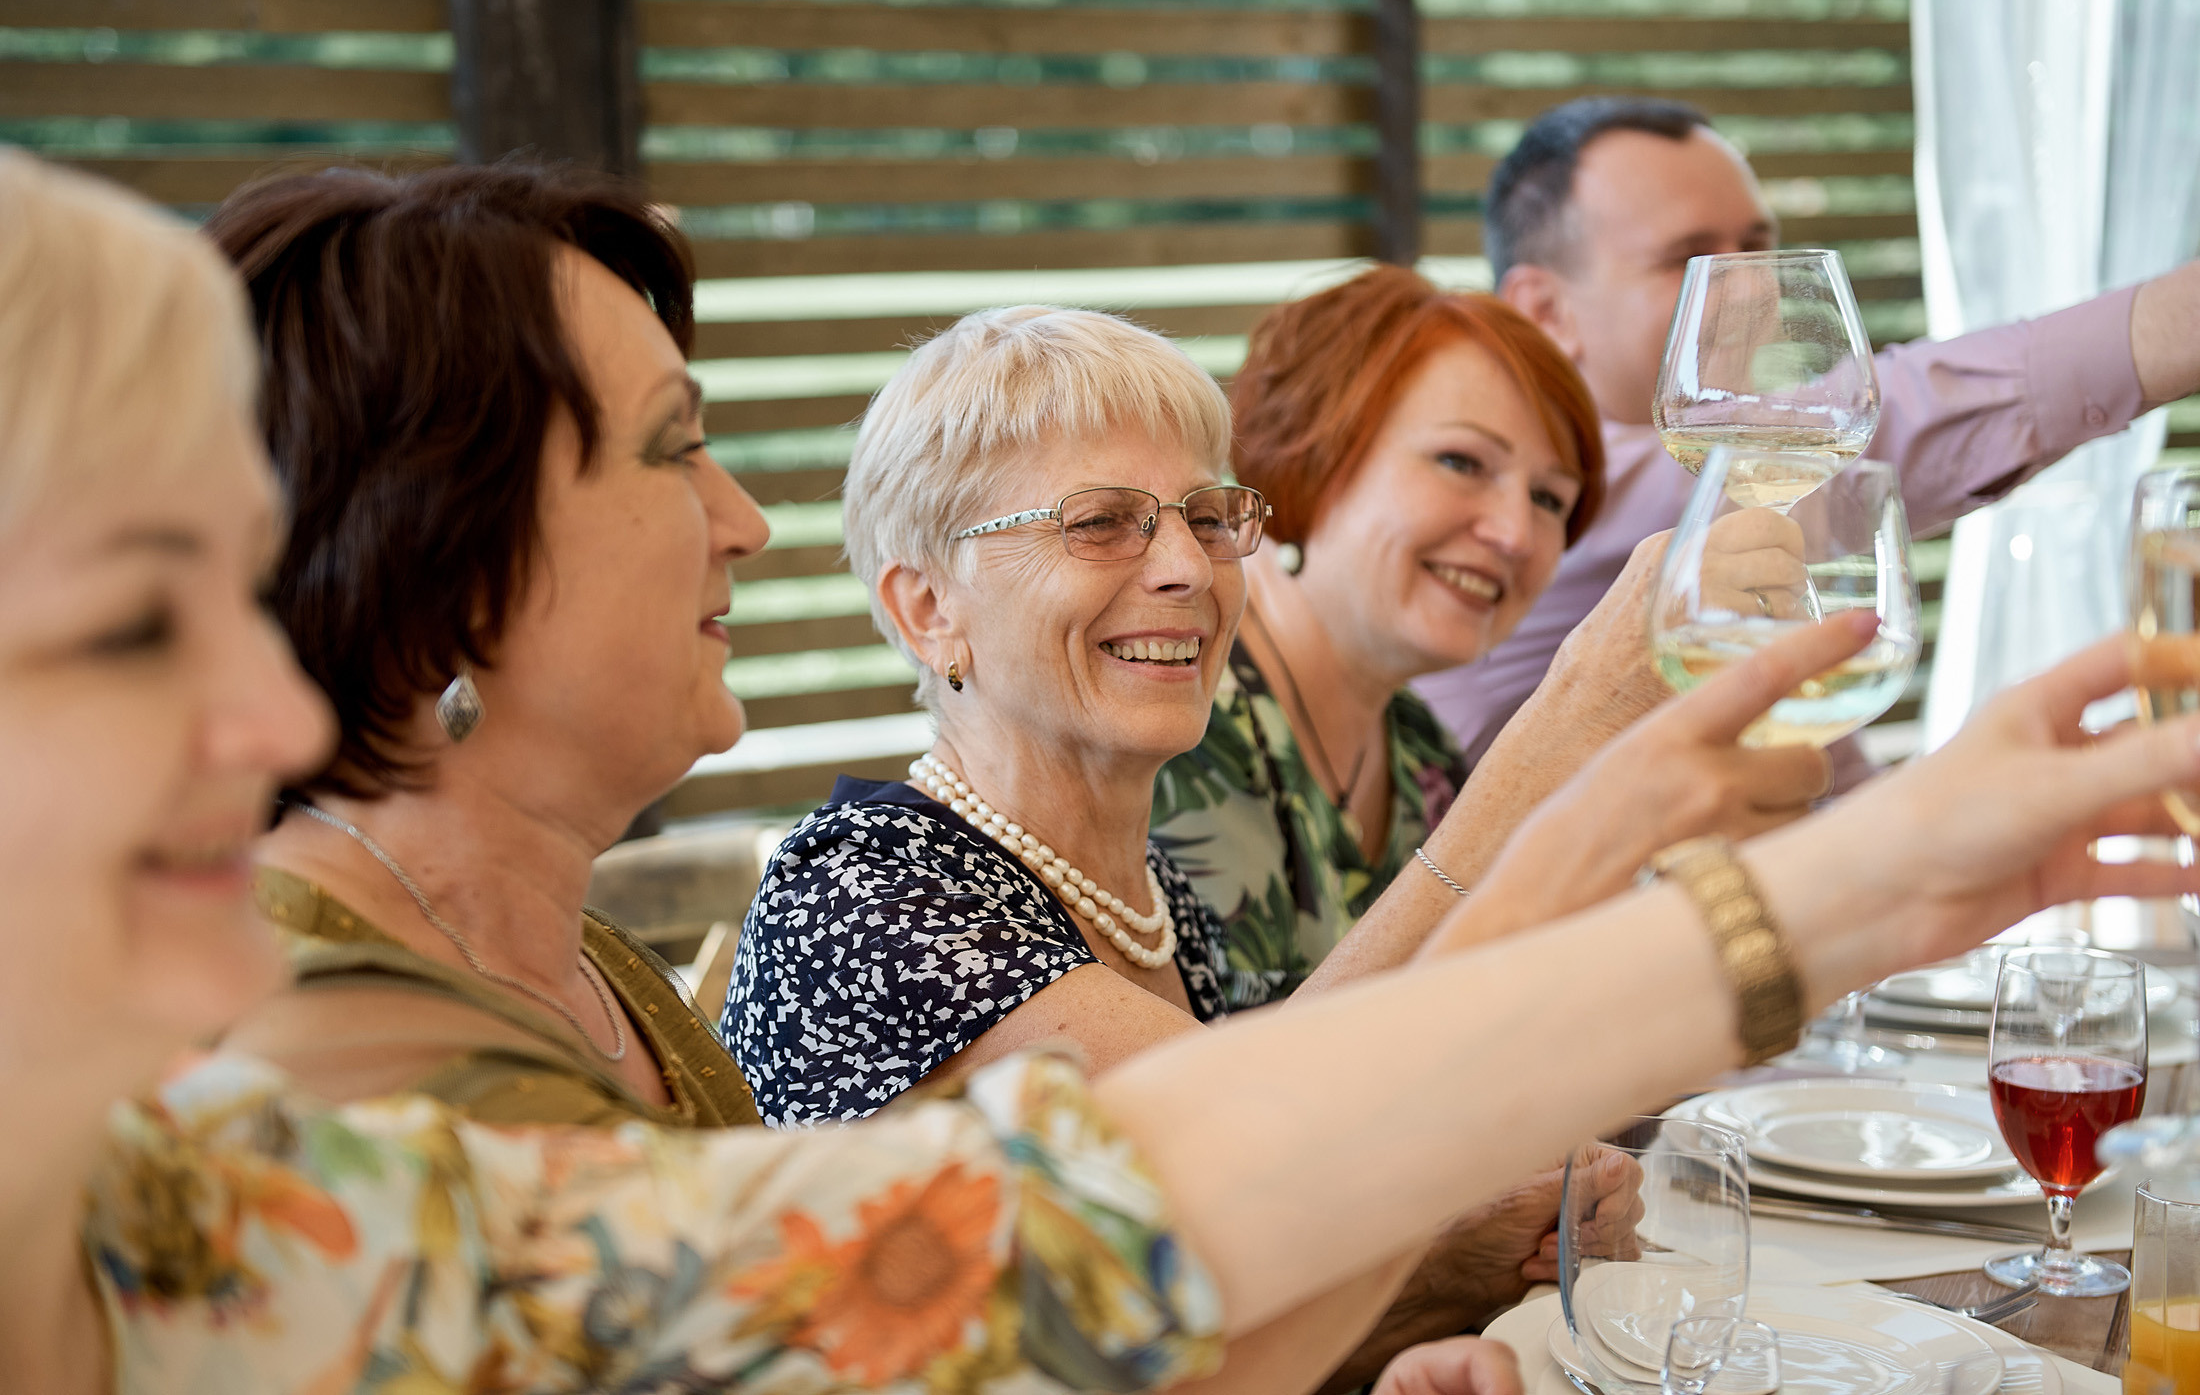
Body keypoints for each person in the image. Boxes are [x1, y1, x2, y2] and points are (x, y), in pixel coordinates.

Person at [4, 148, 2196, 1395]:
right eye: (134, 616)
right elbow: (1119, 1244)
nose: (267, 709)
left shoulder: (263, 1169)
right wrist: (1698, 852)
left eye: (1199, 516)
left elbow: (1080, 1255)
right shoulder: (327, 1083)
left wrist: (1730, 867)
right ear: (427, 567)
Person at [204, 166, 767, 1128]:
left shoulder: (578, 960)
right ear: (438, 559)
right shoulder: (330, 1058)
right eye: (673, 449)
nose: (745, 523)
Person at [1417, 95, 2200, 763]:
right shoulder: (1545, 502)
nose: (1755, 289)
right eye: (1689, 259)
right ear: (1545, 311)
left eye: (1758, 246)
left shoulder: (1742, 522)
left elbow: (1832, 796)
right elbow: (1894, 415)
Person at [1152, 266, 1827, 1007]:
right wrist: (1576, 708)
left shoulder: (1421, 755)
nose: (1513, 533)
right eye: (1461, 462)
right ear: (1312, 445)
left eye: (1549, 500)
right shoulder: (1178, 713)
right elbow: (1222, 1103)